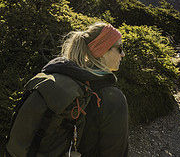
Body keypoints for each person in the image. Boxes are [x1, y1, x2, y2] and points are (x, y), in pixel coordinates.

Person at [6, 22, 128, 157]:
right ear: (103, 51)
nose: (123, 54)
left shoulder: (60, 74)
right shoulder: (113, 98)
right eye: (119, 48)